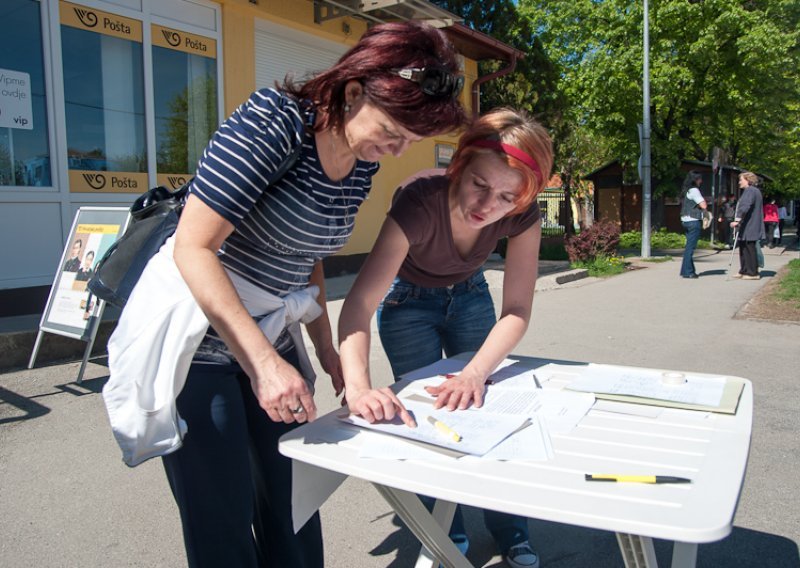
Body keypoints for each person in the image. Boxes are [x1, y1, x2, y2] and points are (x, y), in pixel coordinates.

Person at [162, 21, 467, 568]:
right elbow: (193, 249)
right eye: (392, 131)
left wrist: (327, 350)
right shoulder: (273, 122)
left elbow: (309, 257)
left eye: (408, 143)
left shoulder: (360, 165)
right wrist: (263, 366)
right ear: (354, 91)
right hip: (201, 351)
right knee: (222, 521)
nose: (394, 151)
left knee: (294, 506)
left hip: (273, 342)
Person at [338, 108, 554, 568]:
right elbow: (358, 304)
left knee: (485, 409)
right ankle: (445, 535)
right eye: (479, 184)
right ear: (459, 165)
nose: (487, 205)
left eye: (505, 197)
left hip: (471, 297)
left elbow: (517, 310)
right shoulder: (418, 202)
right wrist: (357, 387)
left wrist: (475, 372)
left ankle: (511, 531)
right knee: (423, 417)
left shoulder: (522, 213)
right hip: (408, 306)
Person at [730, 172, 765, 280]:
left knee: (749, 247)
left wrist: (738, 219)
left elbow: (745, 205)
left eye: (741, 180)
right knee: (744, 247)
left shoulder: (750, 191)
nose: (739, 182)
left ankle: (752, 272)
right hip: (747, 224)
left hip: (750, 224)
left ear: (748, 180)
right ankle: (744, 269)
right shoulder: (753, 191)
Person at [678, 171, 707, 279]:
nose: (701, 181)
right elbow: (703, 205)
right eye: (700, 179)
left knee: (688, 246)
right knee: (690, 248)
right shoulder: (694, 190)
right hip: (693, 220)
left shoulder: (686, 190)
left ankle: (688, 270)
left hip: (685, 220)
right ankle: (688, 271)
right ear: (695, 180)